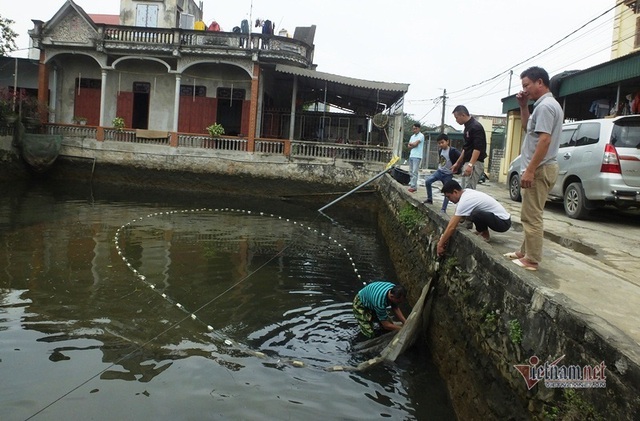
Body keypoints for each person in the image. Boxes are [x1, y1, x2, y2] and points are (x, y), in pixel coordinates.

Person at [504, 66, 563, 271]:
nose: (525, 89)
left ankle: (532, 259)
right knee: (528, 212)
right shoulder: (541, 106)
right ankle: (525, 252)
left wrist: (530, 169)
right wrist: (523, 106)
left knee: (532, 215)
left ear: (540, 82)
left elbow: (544, 141)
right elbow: (529, 129)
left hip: (540, 168)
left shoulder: (546, 106)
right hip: (540, 167)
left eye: (526, 85)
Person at [436, 180, 511, 257]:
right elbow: (456, 216)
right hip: (500, 219)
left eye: (449, 196)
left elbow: (451, 227)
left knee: (476, 214)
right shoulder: (466, 193)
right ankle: (481, 231)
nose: (449, 200)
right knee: (472, 213)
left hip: (503, 223)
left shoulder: (466, 200)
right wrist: (445, 236)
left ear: (455, 192)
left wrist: (440, 244)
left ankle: (485, 235)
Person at [450, 105, 487, 190]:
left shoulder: (475, 127)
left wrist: (470, 165)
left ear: (463, 115)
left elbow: (477, 148)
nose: (456, 120)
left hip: (475, 162)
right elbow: (466, 148)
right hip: (467, 162)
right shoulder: (467, 127)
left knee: (468, 190)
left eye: (457, 117)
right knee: (463, 190)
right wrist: (457, 163)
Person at [424, 133, 460, 213]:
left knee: (447, 191)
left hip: (448, 174)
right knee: (428, 181)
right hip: (439, 172)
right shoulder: (440, 150)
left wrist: (457, 166)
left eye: (442, 142)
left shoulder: (453, 151)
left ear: (447, 141)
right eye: (439, 143)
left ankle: (443, 209)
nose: (440, 144)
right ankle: (430, 199)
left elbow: (461, 158)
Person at [407, 123, 424, 193]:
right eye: (413, 129)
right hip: (412, 155)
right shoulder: (412, 136)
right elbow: (409, 146)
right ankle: (412, 184)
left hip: (417, 156)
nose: (414, 130)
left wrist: (412, 144)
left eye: (415, 128)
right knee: (411, 171)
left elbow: (415, 144)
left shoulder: (421, 136)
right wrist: (413, 144)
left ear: (418, 128)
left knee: (414, 171)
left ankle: (414, 187)